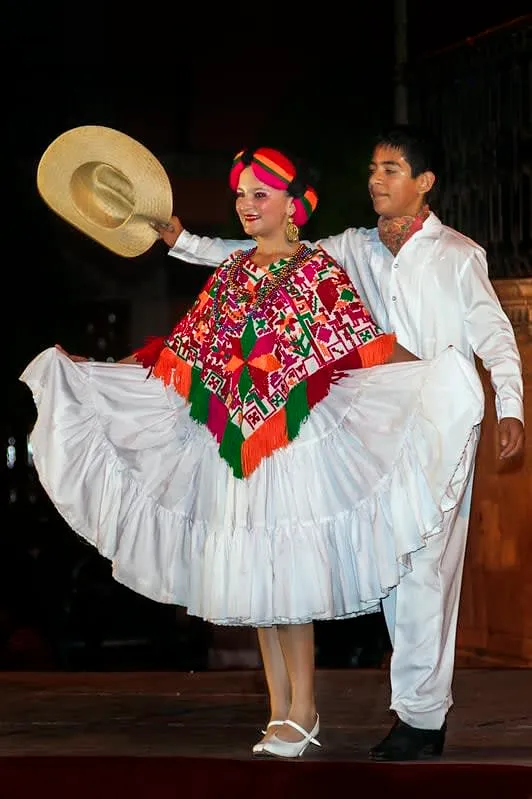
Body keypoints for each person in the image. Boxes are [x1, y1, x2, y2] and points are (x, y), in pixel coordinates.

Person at [21, 143, 484, 760]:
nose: (246, 205)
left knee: (287, 583)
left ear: (295, 207)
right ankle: (279, 709)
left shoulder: (316, 271)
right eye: (241, 194)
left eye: (259, 195)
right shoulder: (233, 276)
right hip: (239, 452)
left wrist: (433, 380)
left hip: (293, 454)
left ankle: (304, 710)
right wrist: (101, 369)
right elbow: (184, 354)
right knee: (256, 588)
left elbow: (362, 343)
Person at [156, 127, 525, 761]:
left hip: (439, 421)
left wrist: (512, 407)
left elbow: (494, 337)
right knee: (392, 569)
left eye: (391, 168)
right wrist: (180, 240)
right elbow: (257, 255)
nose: (377, 179)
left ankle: (421, 718)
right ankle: (406, 711)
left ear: (424, 182)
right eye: (373, 169)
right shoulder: (351, 248)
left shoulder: (459, 255)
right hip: (374, 429)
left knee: (428, 565)